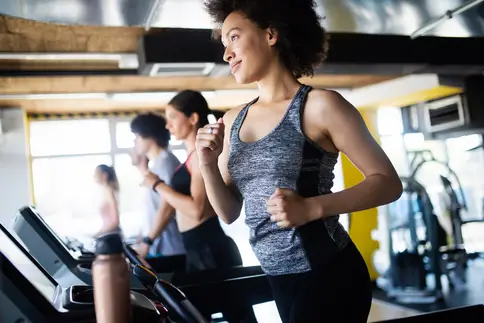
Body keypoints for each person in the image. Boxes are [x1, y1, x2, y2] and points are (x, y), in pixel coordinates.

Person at [196, 1, 404, 322]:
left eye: (234, 37)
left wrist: (312, 208)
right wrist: (207, 164)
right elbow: (228, 212)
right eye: (224, 44)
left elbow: (387, 183)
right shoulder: (234, 119)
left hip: (328, 274)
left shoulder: (320, 105)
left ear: (270, 34)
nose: (227, 54)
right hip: (279, 278)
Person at [141, 90, 256, 323]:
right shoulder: (189, 158)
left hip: (210, 250)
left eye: (173, 117)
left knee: (239, 318)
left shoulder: (200, 157)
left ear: (193, 118)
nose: (167, 125)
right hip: (195, 248)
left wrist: (157, 185)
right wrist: (147, 241)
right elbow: (170, 207)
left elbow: (197, 210)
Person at [130, 113, 186, 261]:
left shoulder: (166, 163)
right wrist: (142, 238)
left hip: (170, 248)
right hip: (159, 245)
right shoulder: (156, 165)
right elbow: (152, 208)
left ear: (151, 136)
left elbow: (167, 207)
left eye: (138, 136)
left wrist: (148, 240)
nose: (135, 141)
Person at [93, 164, 120, 237]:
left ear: (104, 175)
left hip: (112, 236)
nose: (94, 176)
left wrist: (98, 234)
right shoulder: (105, 191)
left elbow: (115, 221)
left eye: (96, 174)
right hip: (108, 233)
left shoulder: (109, 190)